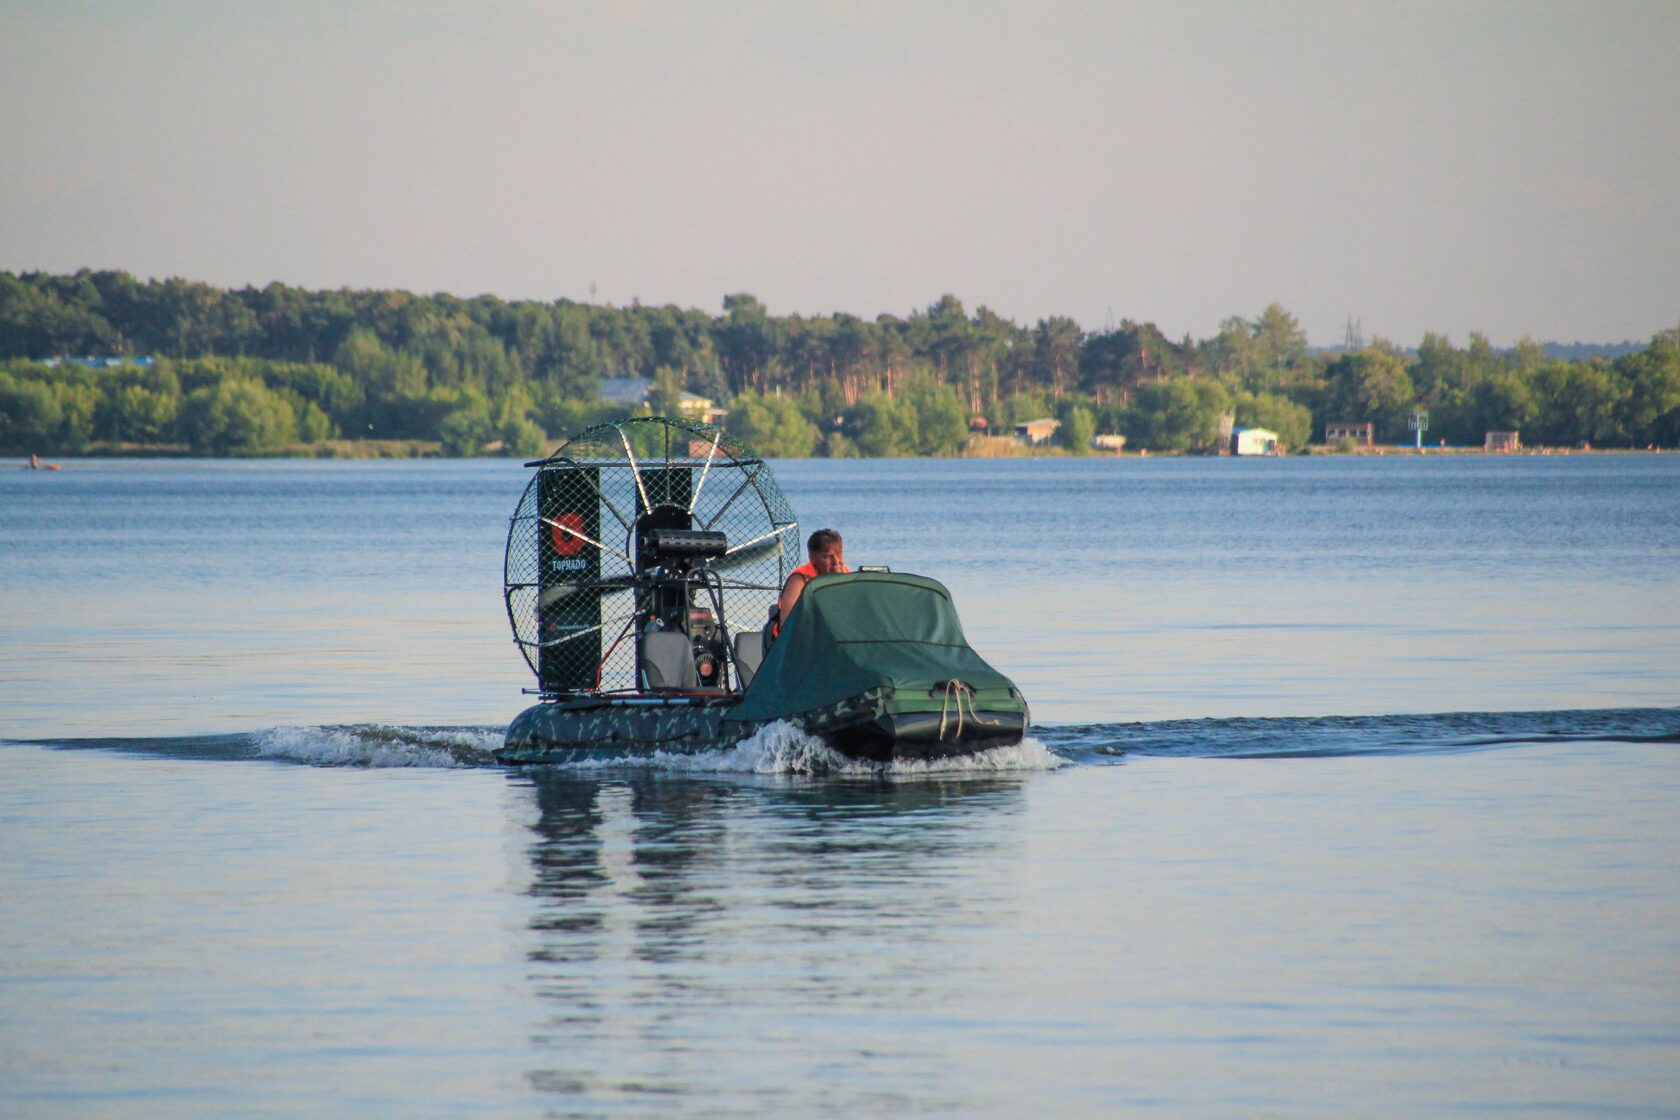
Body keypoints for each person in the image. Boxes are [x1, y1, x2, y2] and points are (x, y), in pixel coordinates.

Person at [769, 528, 848, 640]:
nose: (836, 562)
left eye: (839, 554)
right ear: (812, 558)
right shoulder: (799, 580)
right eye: (827, 557)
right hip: (796, 643)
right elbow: (787, 624)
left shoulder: (846, 573)